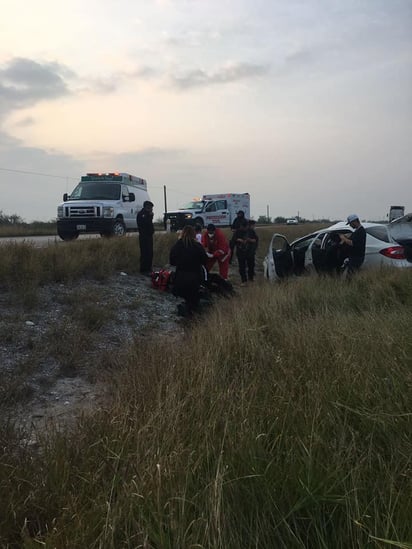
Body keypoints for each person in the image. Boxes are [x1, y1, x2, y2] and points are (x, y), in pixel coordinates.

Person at [169, 225, 208, 316]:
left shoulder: (177, 245)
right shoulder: (198, 246)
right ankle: (191, 312)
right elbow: (205, 260)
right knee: (194, 300)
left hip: (180, 279)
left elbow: (172, 261)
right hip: (195, 279)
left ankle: (186, 310)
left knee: (188, 298)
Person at [234, 219, 259, 285]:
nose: (244, 228)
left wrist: (249, 240)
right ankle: (244, 281)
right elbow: (233, 240)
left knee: (251, 266)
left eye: (245, 227)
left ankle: (251, 278)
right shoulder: (237, 232)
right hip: (240, 252)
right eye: (242, 227)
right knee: (242, 267)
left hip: (250, 252)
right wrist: (239, 240)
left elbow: (255, 240)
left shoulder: (251, 231)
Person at [137, 200, 154, 275]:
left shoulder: (147, 214)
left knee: (150, 253)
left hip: (149, 236)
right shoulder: (142, 214)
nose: (151, 210)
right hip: (144, 236)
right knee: (145, 253)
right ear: (147, 207)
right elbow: (145, 224)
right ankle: (144, 269)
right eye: (150, 208)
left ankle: (149, 268)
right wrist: (150, 216)